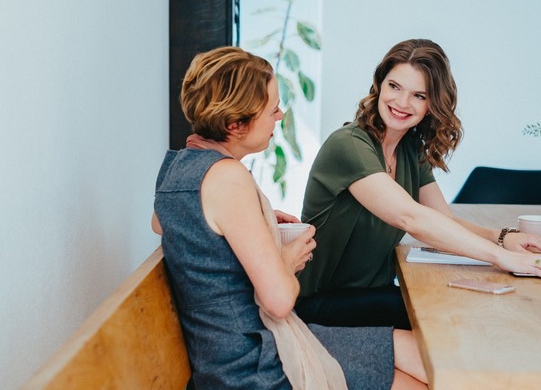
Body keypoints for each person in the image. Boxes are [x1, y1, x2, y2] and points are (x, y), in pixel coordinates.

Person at [152, 46, 428, 389]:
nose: (280, 115)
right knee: (423, 376)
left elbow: (163, 222)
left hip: (241, 346)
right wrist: (287, 257)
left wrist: (257, 218)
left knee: (427, 355)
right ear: (237, 125)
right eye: (272, 109)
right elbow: (280, 301)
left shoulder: (177, 167)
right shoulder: (227, 177)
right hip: (256, 361)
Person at [295, 39, 541, 330]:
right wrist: (502, 258)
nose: (402, 103)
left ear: (432, 104)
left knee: (458, 304)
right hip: (319, 303)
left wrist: (503, 237)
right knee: (438, 312)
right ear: (379, 85)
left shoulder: (409, 149)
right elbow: (411, 218)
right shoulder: (349, 145)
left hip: (366, 297)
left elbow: (442, 220)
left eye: (418, 95)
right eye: (394, 87)